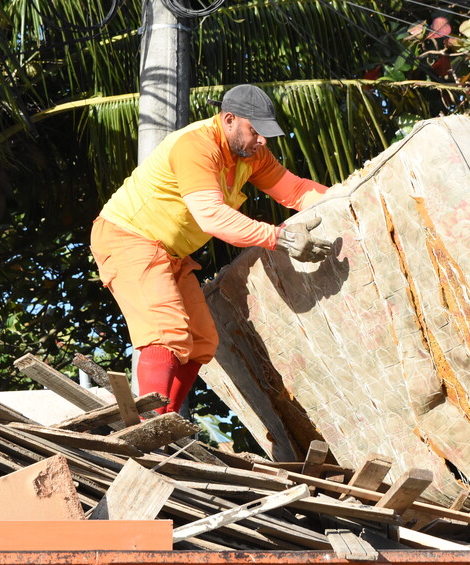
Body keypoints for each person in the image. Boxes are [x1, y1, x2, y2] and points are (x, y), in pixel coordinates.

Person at [90, 84, 333, 415]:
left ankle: (164, 425)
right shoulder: (196, 146)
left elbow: (296, 191)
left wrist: (347, 200)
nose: (262, 141)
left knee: (201, 341)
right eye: (255, 131)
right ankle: (151, 428)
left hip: (169, 251)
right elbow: (213, 218)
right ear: (229, 119)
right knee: (166, 335)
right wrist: (283, 238)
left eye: (266, 134)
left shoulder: (252, 155)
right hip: (129, 237)